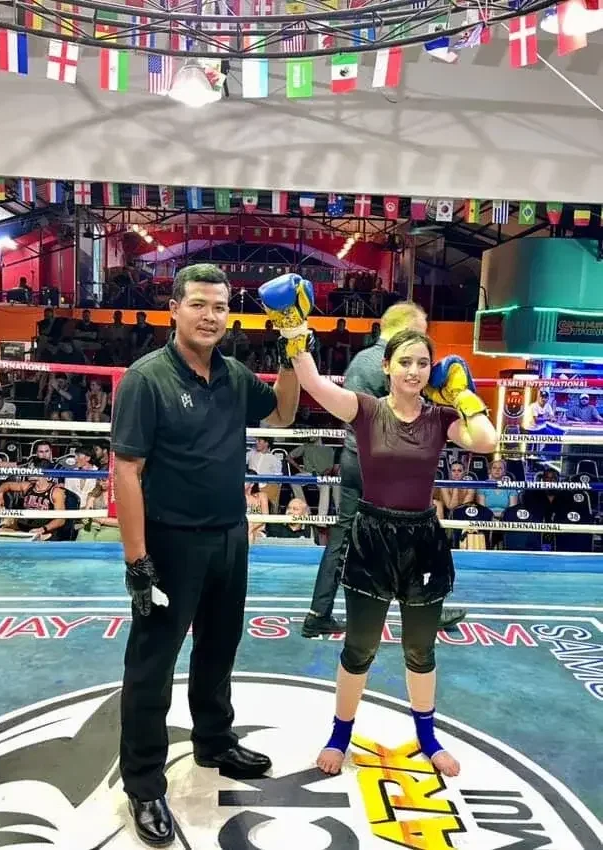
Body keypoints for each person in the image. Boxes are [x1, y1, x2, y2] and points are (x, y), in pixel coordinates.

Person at [258, 275, 497, 778]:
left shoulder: (440, 417)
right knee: (359, 647)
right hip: (372, 536)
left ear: (431, 371)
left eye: (422, 363)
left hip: (422, 540)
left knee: (420, 649)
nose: (414, 370)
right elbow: (314, 383)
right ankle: (339, 736)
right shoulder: (365, 410)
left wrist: (465, 394)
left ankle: (428, 739)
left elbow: (485, 441)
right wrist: (294, 328)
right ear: (385, 366)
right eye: (405, 361)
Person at [111, 263, 300, 848]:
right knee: (153, 666)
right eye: (199, 304)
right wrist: (137, 561)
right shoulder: (147, 379)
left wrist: (294, 347)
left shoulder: (236, 374)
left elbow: (284, 413)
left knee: (219, 649)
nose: (210, 315)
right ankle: (143, 783)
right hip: (169, 543)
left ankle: (214, 741)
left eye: (219, 306)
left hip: (228, 536)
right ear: (175, 309)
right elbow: (126, 469)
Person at [298, 300, 467, 638]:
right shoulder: (393, 367)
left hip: (352, 457)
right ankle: (422, 605)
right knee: (409, 529)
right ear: (409, 330)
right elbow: (410, 418)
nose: (419, 362)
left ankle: (319, 611)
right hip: (382, 464)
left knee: (344, 536)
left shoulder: (362, 358)